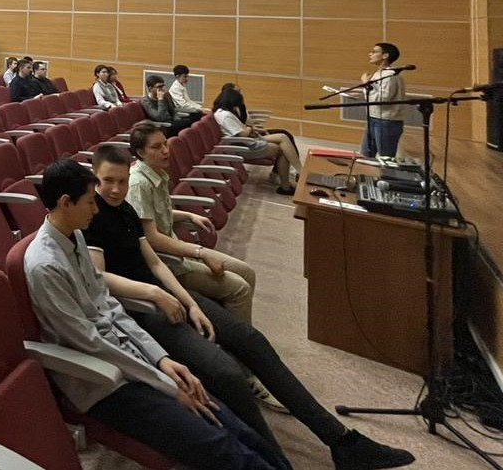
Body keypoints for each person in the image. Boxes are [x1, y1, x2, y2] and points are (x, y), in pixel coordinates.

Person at [85, 145, 417, 470]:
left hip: (168, 293)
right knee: (227, 374)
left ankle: (341, 440)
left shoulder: (125, 210)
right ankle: (275, 462)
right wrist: (157, 295)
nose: (115, 189)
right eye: (107, 181)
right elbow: (100, 278)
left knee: (251, 340)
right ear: (94, 178)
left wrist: (190, 303)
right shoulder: (90, 216)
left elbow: (155, 264)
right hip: (141, 310)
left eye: (121, 181)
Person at [26, 159, 289, 470]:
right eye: (89, 202)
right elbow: (90, 343)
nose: (96, 210)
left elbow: (110, 306)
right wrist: (165, 383)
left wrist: (161, 359)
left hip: (130, 358)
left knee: (229, 420)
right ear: (65, 203)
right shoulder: (45, 265)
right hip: (103, 380)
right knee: (220, 442)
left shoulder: (75, 235)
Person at [127, 121, 257, 323]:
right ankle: (241, 338)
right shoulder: (139, 184)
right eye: (156, 147)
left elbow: (158, 213)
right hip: (167, 263)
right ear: (140, 153)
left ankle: (232, 324)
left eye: (165, 143)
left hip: (179, 248)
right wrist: (200, 252)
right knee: (240, 288)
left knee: (247, 272)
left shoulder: (156, 172)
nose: (165, 150)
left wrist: (188, 216)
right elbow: (151, 238)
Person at [211, 88, 302, 195]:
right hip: (243, 145)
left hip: (247, 140)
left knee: (283, 137)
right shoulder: (225, 116)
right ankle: (286, 185)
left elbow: (241, 130)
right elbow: (242, 134)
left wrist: (249, 129)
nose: (237, 107)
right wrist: (249, 128)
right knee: (282, 150)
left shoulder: (222, 113)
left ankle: (299, 173)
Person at [355, 42, 408, 159]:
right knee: (366, 155)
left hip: (386, 122)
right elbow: (373, 93)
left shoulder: (390, 75)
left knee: (386, 158)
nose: (370, 54)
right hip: (372, 118)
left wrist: (365, 83)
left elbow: (381, 99)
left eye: (374, 52)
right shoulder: (377, 74)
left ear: (385, 56)